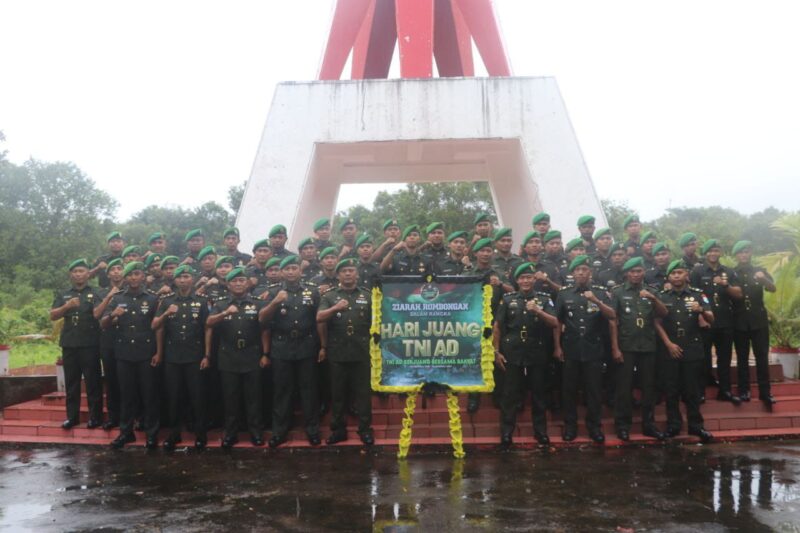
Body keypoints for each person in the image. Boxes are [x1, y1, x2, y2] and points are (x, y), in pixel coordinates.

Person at [553, 255, 616, 443]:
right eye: (577, 270)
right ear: (572, 273)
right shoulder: (564, 294)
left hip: (593, 349)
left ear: (590, 272)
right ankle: (570, 427)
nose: (581, 273)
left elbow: (612, 315)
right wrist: (557, 347)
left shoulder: (600, 292)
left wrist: (596, 301)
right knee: (569, 390)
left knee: (594, 390)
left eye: (584, 270)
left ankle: (594, 427)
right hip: (571, 348)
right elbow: (557, 322)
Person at [261, 256, 322, 448]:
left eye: (294, 268)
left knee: (309, 390)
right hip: (282, 347)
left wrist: (322, 346)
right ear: (281, 272)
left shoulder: (312, 291)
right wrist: (275, 302)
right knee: (282, 391)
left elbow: (319, 320)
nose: (290, 271)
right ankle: (279, 432)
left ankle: (312, 430)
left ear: (300, 270)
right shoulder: (272, 292)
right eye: (286, 268)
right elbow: (262, 320)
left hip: (307, 346)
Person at [494, 262, 558, 446]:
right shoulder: (507, 299)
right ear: (517, 280)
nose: (526, 281)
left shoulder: (544, 299)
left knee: (539, 394)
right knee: (510, 395)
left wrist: (538, 311)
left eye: (529, 277)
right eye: (522, 278)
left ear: (534, 279)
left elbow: (554, 323)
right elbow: (498, 327)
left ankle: (541, 432)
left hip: (536, 352)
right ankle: (506, 433)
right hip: (513, 352)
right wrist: (497, 351)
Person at [207, 267, 269, 448]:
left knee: (254, 398)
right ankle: (231, 433)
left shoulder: (258, 303)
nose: (238, 283)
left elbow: (265, 329)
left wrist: (265, 354)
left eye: (242, 280)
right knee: (230, 398)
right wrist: (225, 313)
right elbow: (208, 323)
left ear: (248, 283)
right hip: (229, 357)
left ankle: (256, 433)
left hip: (252, 356)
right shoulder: (220, 304)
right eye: (234, 281)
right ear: (227, 284)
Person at [101, 262, 160, 449]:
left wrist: (158, 352)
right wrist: (112, 316)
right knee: (127, 395)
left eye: (137, 274)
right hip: (124, 354)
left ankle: (152, 434)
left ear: (143, 276)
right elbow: (103, 323)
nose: (134, 277)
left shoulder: (152, 298)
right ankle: (126, 433)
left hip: (145, 353)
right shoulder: (117, 298)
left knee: (149, 395)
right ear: (125, 278)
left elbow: (158, 328)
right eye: (130, 274)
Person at [316, 258, 375, 446]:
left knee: (363, 393)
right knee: (338, 393)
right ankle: (338, 430)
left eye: (351, 270)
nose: (348, 274)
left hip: (361, 350)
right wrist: (335, 308)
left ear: (357, 274)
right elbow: (319, 317)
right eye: (344, 271)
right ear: (338, 275)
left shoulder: (367, 295)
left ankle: (365, 430)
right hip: (338, 352)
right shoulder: (330, 296)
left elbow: (378, 321)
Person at [655, 260, 714, 443]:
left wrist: (702, 310)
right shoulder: (662, 296)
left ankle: (696, 426)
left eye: (680, 272)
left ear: (686, 275)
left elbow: (711, 318)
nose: (677, 276)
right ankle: (673, 425)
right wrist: (668, 344)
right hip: (670, 348)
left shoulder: (698, 295)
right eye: (673, 273)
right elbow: (656, 322)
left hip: (691, 347)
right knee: (671, 389)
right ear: (668, 277)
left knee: (692, 390)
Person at [609, 257, 668, 441]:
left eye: (639, 271)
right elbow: (613, 321)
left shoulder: (651, 291)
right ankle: (623, 426)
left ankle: (648, 425)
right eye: (632, 272)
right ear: (627, 273)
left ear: (644, 272)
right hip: (626, 346)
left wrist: (653, 298)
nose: (636, 275)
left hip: (648, 345)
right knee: (624, 388)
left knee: (648, 388)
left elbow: (664, 313)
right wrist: (615, 348)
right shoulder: (618, 292)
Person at [152, 264, 209, 450]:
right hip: (172, 357)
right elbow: (155, 326)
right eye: (179, 277)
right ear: (175, 280)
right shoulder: (167, 301)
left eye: (186, 276)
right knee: (173, 397)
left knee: (198, 397)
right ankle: (174, 434)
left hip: (194, 356)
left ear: (192, 279)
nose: (183, 280)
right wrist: (166, 314)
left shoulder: (201, 301)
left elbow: (207, 329)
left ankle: (200, 434)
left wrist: (207, 355)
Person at [50, 259, 103, 430]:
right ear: (70, 275)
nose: (79, 274)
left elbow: (99, 313)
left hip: (90, 344)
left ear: (88, 274)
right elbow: (53, 315)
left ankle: (95, 417)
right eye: (75, 271)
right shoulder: (63, 294)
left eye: (82, 271)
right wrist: (67, 306)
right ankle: (72, 417)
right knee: (71, 383)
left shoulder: (96, 293)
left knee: (93, 382)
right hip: (70, 344)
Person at [691, 239, 743, 404]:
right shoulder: (697, 272)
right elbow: (692, 295)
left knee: (724, 358)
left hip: (725, 321)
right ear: (705, 253)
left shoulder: (728, 272)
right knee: (703, 358)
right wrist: (700, 318)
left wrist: (725, 285)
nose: (713, 254)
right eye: (710, 251)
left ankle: (725, 391)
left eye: (716, 250)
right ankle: (700, 392)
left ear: (720, 252)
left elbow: (739, 294)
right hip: (705, 321)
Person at [465, 237, 508, 413]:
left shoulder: (499, 273)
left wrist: (501, 284)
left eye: (488, 251)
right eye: (481, 251)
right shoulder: (467, 274)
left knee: (496, 358)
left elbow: (514, 291)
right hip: (473, 322)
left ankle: (498, 396)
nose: (485, 254)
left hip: (496, 322)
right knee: (474, 361)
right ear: (475, 253)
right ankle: (473, 397)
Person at [731, 240, 777, 408]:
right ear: (736, 255)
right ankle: (744, 390)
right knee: (742, 357)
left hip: (758, 320)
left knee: (761, 356)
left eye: (746, 252)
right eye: (740, 252)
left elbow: (772, 288)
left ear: (751, 253)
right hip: (739, 320)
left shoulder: (760, 271)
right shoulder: (732, 273)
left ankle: (766, 392)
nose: (744, 255)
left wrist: (763, 279)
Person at [92, 259, 125, 430]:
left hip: (128, 342)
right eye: (113, 269)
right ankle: (113, 417)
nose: (117, 272)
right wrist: (109, 296)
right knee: (111, 381)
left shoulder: (131, 291)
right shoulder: (100, 293)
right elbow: (97, 315)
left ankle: (132, 416)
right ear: (108, 274)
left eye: (120, 269)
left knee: (129, 381)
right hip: (108, 342)